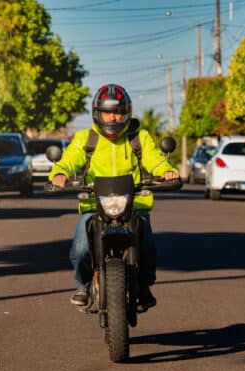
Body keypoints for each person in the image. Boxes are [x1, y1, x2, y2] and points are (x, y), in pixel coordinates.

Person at [49, 84, 179, 308]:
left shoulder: (139, 138)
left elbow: (154, 159)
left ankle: (144, 285)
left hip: (133, 204)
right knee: (80, 247)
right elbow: (69, 159)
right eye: (107, 112)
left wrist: (165, 171)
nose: (112, 118)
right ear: (97, 113)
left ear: (126, 113)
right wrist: (60, 173)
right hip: (94, 205)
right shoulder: (85, 138)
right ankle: (83, 286)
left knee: (147, 244)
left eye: (118, 112)